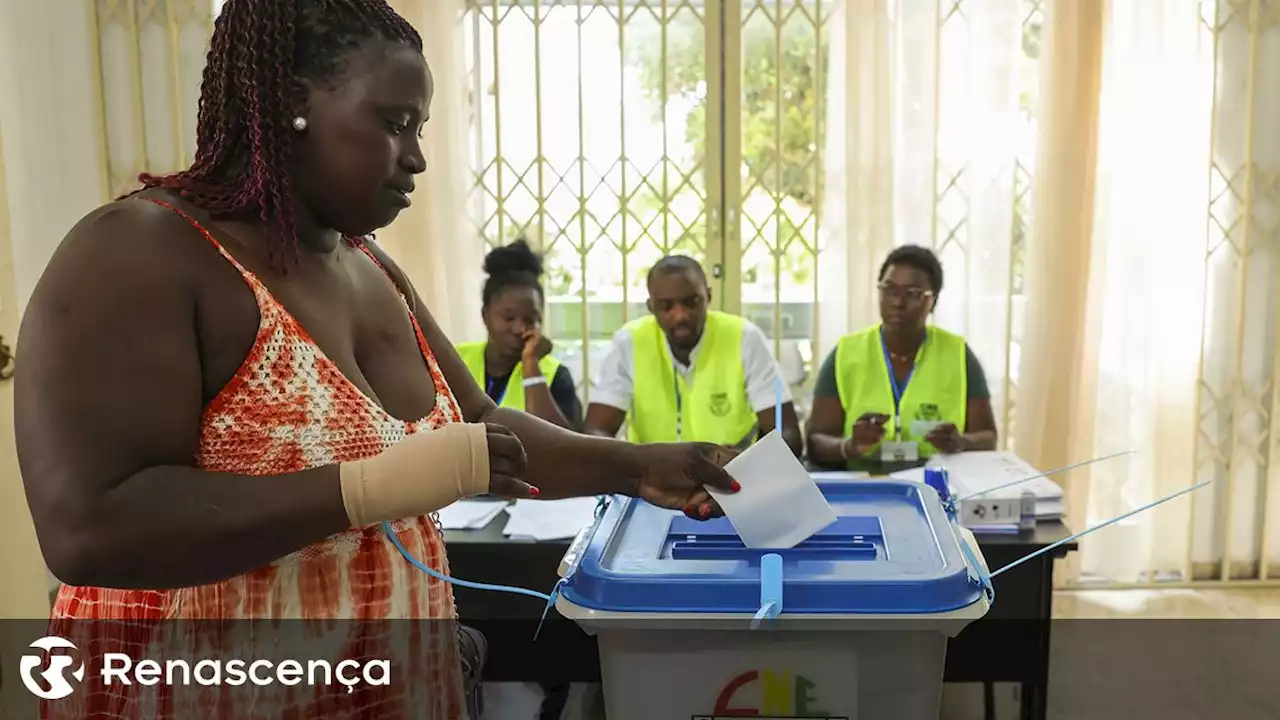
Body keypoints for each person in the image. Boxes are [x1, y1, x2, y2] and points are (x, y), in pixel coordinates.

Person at [13, 1, 739, 718]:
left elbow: (481, 423)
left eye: (419, 127)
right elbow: (89, 528)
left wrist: (640, 467)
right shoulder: (140, 253)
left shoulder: (370, 267)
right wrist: (368, 487)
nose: (417, 156)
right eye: (394, 124)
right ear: (290, 103)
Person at [583, 255, 803, 457]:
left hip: (732, 480)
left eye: (691, 302)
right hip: (653, 481)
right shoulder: (629, 343)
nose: (680, 315)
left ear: (708, 296)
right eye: (666, 306)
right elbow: (596, 432)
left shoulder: (744, 338)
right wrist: (639, 464)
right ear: (651, 307)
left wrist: (744, 463)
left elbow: (788, 434)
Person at [806, 245, 998, 470]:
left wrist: (960, 442)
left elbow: (987, 437)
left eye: (912, 294)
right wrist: (851, 445)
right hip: (864, 485)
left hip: (938, 485)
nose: (898, 302)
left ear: (932, 301)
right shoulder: (846, 353)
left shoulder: (958, 355)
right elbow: (815, 441)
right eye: (889, 290)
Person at [455, 240, 582, 430]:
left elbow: (561, 446)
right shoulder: (455, 359)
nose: (519, 328)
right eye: (509, 317)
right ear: (485, 315)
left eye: (531, 319)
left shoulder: (555, 376)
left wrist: (531, 365)